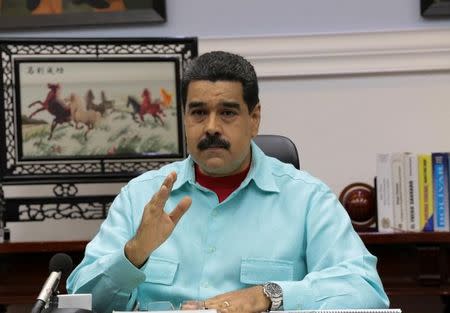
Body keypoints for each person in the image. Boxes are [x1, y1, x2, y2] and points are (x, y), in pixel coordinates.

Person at [67, 51, 389, 313]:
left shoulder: (307, 199)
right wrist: (135, 253)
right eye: (198, 113)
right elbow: (83, 300)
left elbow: (365, 291)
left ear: (254, 119)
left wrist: (269, 295)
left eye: (228, 113)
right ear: (184, 118)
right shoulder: (142, 196)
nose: (211, 127)